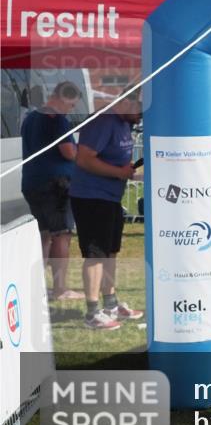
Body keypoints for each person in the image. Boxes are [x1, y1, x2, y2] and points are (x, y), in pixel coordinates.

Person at [68, 95, 145, 330]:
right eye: (140, 108)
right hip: (90, 196)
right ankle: (92, 313)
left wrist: (125, 173)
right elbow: (83, 159)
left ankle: (110, 305)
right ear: (125, 102)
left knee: (110, 252)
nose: (142, 114)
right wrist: (118, 172)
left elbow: (120, 166)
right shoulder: (102, 121)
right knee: (96, 254)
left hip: (110, 197)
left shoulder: (124, 123)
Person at [20, 81, 83, 300]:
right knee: (62, 235)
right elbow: (67, 151)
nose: (71, 109)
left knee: (44, 236)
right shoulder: (57, 119)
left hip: (31, 182)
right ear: (63, 97)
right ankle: (60, 289)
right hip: (55, 185)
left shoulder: (30, 118)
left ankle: (35, 286)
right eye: (72, 104)